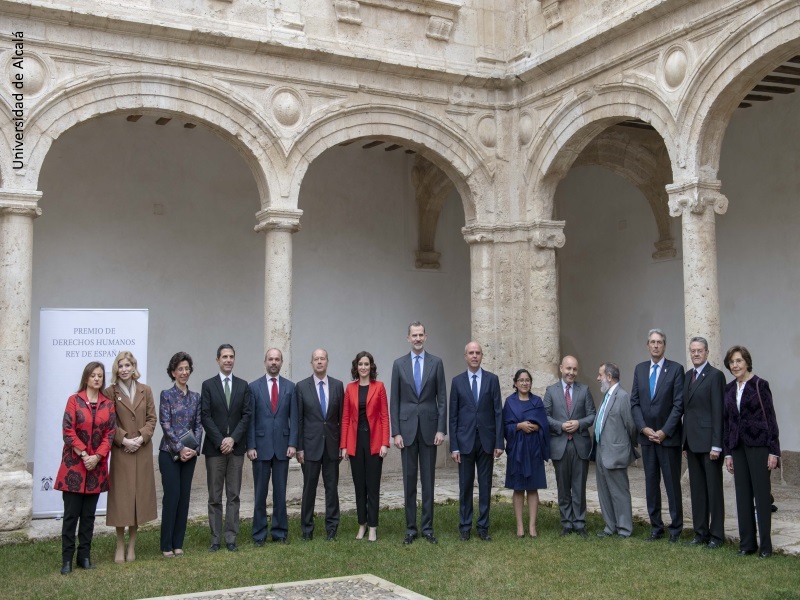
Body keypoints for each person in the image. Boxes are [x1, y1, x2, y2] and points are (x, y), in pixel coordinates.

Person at [56, 362, 116, 575]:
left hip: (95, 468)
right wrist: (84, 454)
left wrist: (97, 456)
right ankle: (67, 560)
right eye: (93, 375)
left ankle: (84, 557)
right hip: (74, 467)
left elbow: (110, 434)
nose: (97, 379)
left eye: (100, 375)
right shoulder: (74, 400)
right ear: (86, 378)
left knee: (89, 516)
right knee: (71, 515)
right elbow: (67, 431)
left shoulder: (108, 405)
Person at [390, 321, 447, 545]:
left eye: (421, 335)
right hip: (406, 431)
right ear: (408, 338)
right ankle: (411, 529)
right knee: (409, 481)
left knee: (428, 481)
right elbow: (394, 401)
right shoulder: (398, 364)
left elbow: (441, 398)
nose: (417, 339)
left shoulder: (436, 363)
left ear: (426, 337)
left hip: (430, 431)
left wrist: (441, 429)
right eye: (414, 335)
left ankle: (428, 528)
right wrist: (396, 432)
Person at [723, 345, 781, 558]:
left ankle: (765, 547)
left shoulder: (760, 385)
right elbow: (727, 422)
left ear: (747, 361)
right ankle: (747, 544)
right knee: (743, 496)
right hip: (737, 447)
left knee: (762, 497)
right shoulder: (728, 389)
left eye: (739, 361)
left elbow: (771, 419)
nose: (735, 365)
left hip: (759, 447)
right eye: (732, 362)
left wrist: (774, 451)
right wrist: (728, 453)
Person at [630, 328, 685, 543]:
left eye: (659, 342)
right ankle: (656, 527)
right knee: (651, 484)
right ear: (647, 345)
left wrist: (664, 431)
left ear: (664, 346)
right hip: (647, 438)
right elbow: (635, 402)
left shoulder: (675, 370)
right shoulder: (640, 369)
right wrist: (643, 428)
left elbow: (678, 404)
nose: (655, 345)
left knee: (672, 484)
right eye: (652, 342)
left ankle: (676, 528)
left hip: (668, 438)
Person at [104, 351, 157, 564]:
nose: (124, 369)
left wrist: (141, 438)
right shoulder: (110, 392)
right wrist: (124, 439)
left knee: (137, 499)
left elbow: (152, 419)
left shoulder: (146, 390)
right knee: (121, 499)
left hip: (142, 451)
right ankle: (119, 544)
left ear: (134, 367)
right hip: (122, 451)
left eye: (128, 365)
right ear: (117, 369)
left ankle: (132, 545)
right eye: (121, 366)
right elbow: (109, 422)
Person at [449, 342, 503, 541]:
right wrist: (453, 445)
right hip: (464, 443)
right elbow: (453, 416)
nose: (474, 356)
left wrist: (499, 442)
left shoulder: (492, 380)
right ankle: (464, 526)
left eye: (477, 353)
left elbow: (498, 412)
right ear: (465, 356)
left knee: (485, 485)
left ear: (482, 356)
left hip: (487, 442)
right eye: (471, 353)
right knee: (465, 486)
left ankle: (483, 527)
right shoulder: (457, 381)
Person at [200, 344, 252, 553]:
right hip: (215, 449)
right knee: (215, 496)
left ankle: (231, 538)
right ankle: (215, 539)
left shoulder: (243, 385)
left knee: (233, 495)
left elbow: (247, 415)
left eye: (231, 356)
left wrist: (233, 439)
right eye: (224, 357)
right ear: (217, 360)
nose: (228, 360)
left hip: (236, 449)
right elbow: (205, 415)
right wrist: (221, 440)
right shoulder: (208, 385)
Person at [248, 348, 298, 545]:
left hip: (282, 447)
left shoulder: (290, 387)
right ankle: (259, 533)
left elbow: (293, 418)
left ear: (282, 361)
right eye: (271, 359)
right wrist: (250, 445)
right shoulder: (254, 387)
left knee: (280, 493)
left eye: (277, 359)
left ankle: (279, 532)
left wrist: (293, 443)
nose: (274, 362)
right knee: (260, 493)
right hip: (260, 448)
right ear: (265, 362)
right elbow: (250, 419)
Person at [543, 355, 596, 537]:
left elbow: (591, 415)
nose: (571, 373)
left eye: (574, 369)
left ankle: (579, 523)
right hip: (560, 444)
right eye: (568, 369)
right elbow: (545, 416)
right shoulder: (551, 391)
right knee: (563, 487)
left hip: (580, 445)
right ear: (561, 368)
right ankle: (566, 523)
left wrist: (579, 423)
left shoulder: (584, 390)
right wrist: (560, 425)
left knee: (579, 487)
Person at [341, 351, 390, 542]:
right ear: (356, 367)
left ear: (371, 367)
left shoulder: (379, 387)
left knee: (373, 486)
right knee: (359, 486)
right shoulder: (350, 388)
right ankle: (361, 525)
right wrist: (344, 446)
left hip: (374, 442)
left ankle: (373, 527)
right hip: (355, 442)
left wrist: (385, 443)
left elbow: (385, 416)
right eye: (360, 364)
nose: (363, 367)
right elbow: (345, 418)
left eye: (366, 364)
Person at [296, 349, 344, 541]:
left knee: (332, 489)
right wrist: (299, 448)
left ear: (327, 362)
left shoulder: (338, 386)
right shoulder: (301, 387)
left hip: (332, 447)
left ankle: (332, 528)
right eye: (316, 359)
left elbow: (342, 419)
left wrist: (342, 445)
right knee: (309, 489)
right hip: (309, 448)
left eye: (322, 359)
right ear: (311, 363)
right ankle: (307, 530)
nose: (319, 362)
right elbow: (298, 420)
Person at [683, 337, 725, 549]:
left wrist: (717, 445)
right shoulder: (688, 376)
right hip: (691, 443)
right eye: (693, 351)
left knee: (713, 490)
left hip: (710, 445)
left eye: (700, 350)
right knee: (697, 490)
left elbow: (718, 411)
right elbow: (686, 411)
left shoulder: (715, 376)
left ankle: (716, 535)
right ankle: (700, 533)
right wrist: (684, 443)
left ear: (707, 353)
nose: (696, 354)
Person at [158, 351, 202, 558]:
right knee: (172, 497)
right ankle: (166, 545)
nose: (184, 372)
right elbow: (165, 424)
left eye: (187, 369)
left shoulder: (196, 398)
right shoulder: (166, 395)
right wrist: (180, 448)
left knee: (184, 499)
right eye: (180, 369)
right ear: (173, 372)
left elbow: (198, 425)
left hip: (190, 456)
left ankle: (178, 543)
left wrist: (193, 449)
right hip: (169, 454)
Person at [503, 368, 549, 538]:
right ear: (515, 383)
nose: (524, 383)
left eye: (527, 380)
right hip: (517, 450)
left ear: (531, 382)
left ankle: (532, 526)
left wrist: (536, 427)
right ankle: (520, 527)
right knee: (518, 488)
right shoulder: (509, 402)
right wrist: (519, 426)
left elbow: (544, 424)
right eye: (521, 380)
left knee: (532, 488)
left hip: (533, 448)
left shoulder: (537, 401)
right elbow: (505, 427)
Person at [594, 363, 638, 539]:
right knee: (604, 491)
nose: (598, 378)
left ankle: (624, 529)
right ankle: (610, 526)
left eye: (600, 375)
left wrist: (626, 447)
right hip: (600, 451)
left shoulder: (622, 396)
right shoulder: (606, 396)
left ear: (609, 377)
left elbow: (631, 425)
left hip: (615, 453)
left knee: (619, 492)